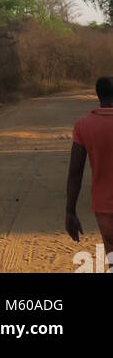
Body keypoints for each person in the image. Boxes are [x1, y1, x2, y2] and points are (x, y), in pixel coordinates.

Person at [65, 75, 113, 266]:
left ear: (98, 96)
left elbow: (76, 170)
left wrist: (70, 211)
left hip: (103, 206)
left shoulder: (83, 125)